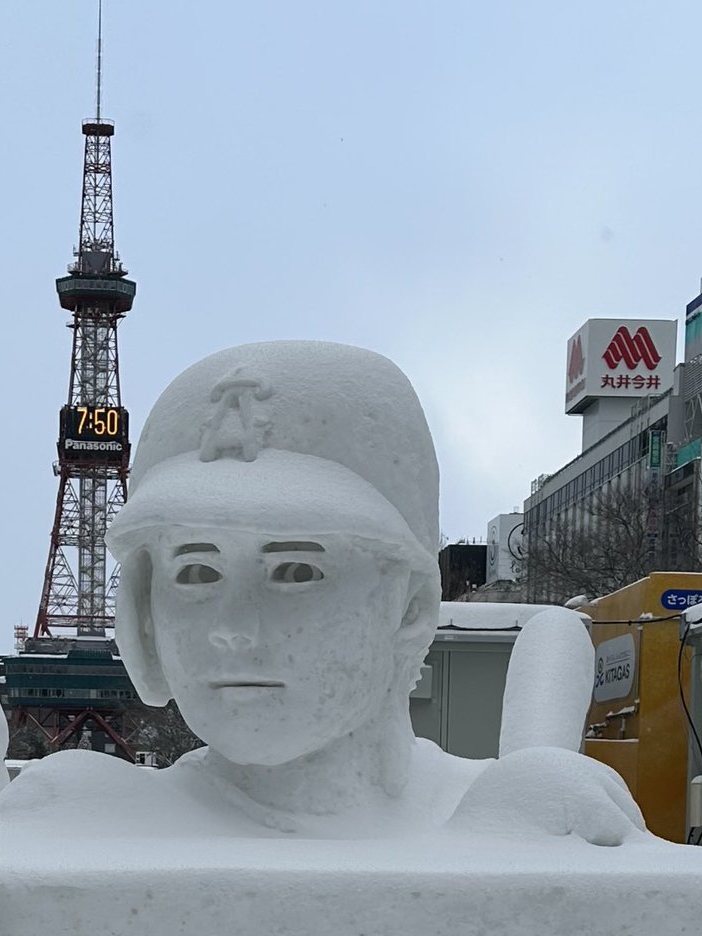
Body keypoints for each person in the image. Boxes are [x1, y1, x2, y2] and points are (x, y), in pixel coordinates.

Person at [100, 340, 646, 840]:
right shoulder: (98, 822)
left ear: (409, 604)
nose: (234, 629)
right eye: (196, 572)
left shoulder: (512, 820)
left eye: (295, 571)